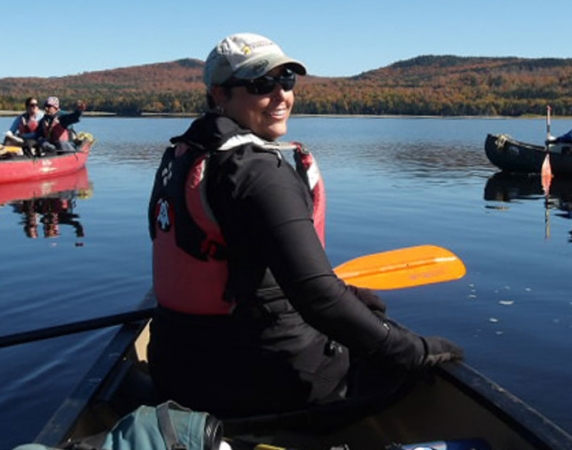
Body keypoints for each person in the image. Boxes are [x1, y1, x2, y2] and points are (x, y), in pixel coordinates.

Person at [146, 32, 463, 418]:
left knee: (361, 316)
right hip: (256, 383)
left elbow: (247, 264)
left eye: (287, 81)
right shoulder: (258, 172)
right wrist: (416, 350)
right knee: (402, 359)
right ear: (219, 95)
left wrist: (345, 293)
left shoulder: (185, 157)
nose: (281, 95)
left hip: (178, 371)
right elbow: (319, 300)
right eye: (261, 84)